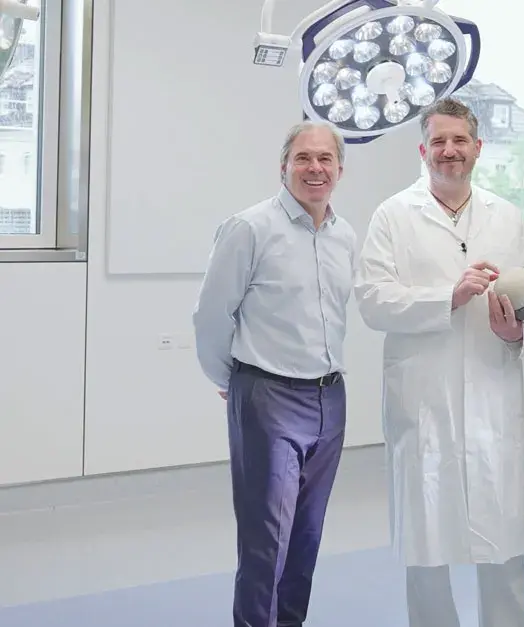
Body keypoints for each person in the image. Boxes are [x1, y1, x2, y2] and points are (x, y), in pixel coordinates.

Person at [354, 97, 524, 627]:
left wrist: (520, 332)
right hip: (425, 400)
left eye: (459, 140)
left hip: (492, 391)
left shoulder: (506, 217)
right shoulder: (393, 216)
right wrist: (450, 296)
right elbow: (372, 298)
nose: (449, 150)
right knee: (426, 547)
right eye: (438, 141)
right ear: (423, 149)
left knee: (503, 539)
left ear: (478, 147)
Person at [192, 121, 357, 627]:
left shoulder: (344, 235)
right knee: (267, 541)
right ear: (283, 166)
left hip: (330, 398)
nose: (314, 168)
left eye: (325, 159)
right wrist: (236, 382)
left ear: (339, 170)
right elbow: (212, 316)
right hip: (267, 395)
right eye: (303, 158)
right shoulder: (250, 228)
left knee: (307, 535)